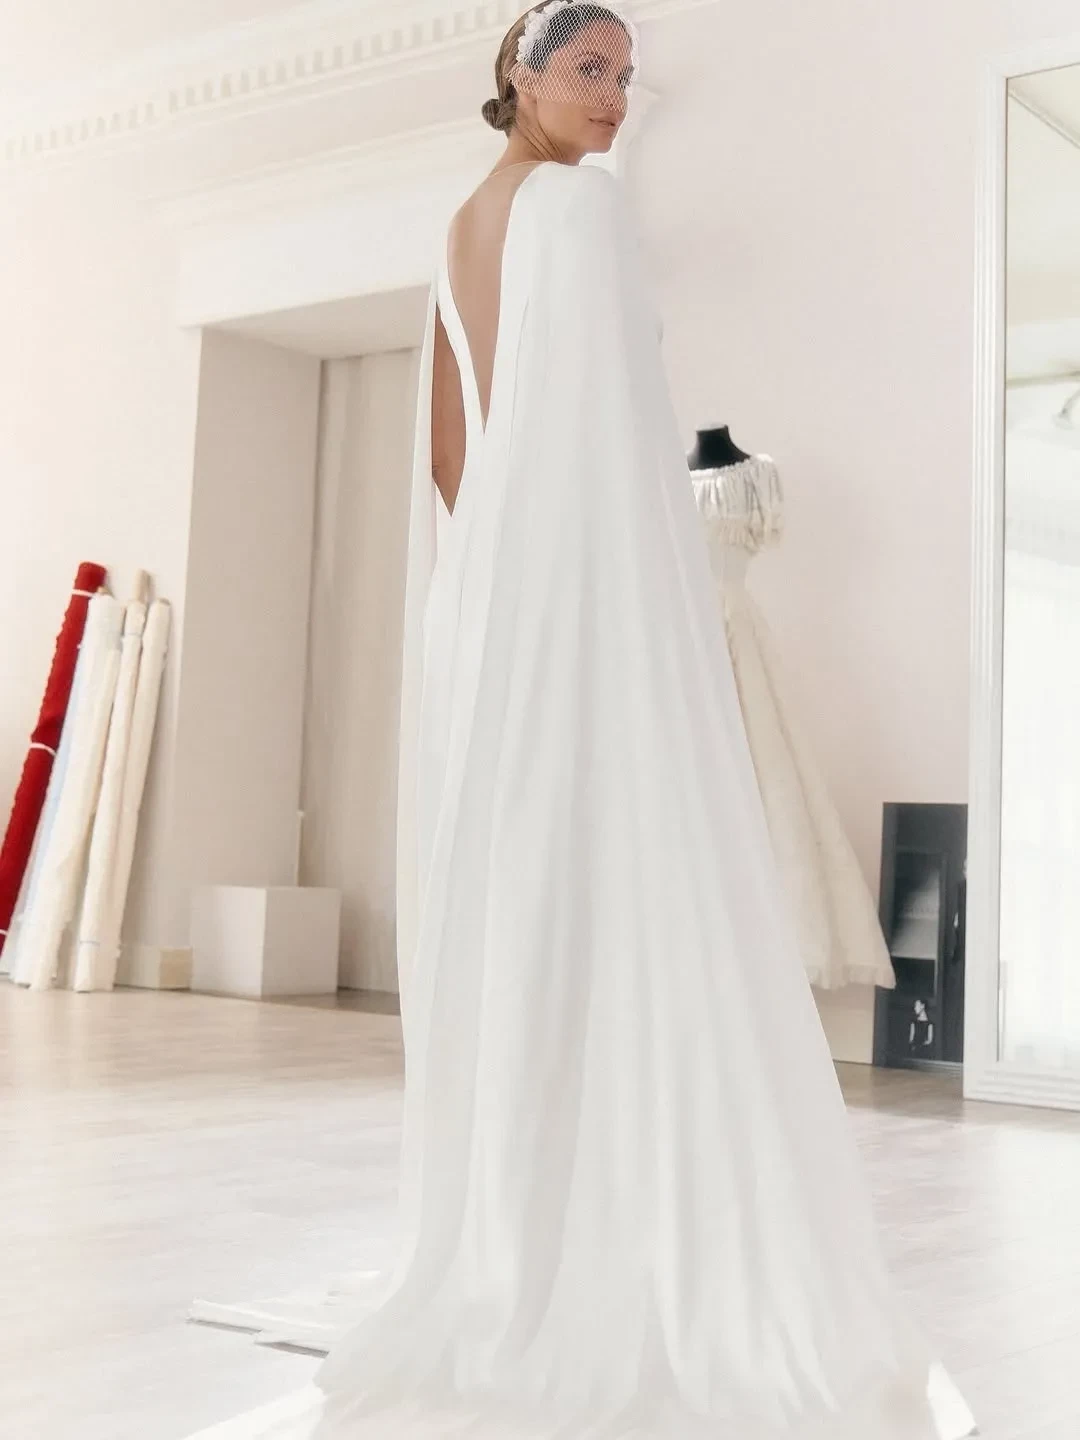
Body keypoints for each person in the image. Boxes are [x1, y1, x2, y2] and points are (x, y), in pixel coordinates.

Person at [187, 4, 976, 1437]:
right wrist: (645, 622)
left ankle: (518, 1232)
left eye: (626, 74)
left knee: (530, 897)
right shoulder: (579, 211)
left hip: (495, 608)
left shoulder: (460, 225)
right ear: (522, 73)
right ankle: (632, 1230)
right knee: (637, 888)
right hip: (594, 600)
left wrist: (495, 593)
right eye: (589, 69)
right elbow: (624, 444)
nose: (616, 96)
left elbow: (451, 461)